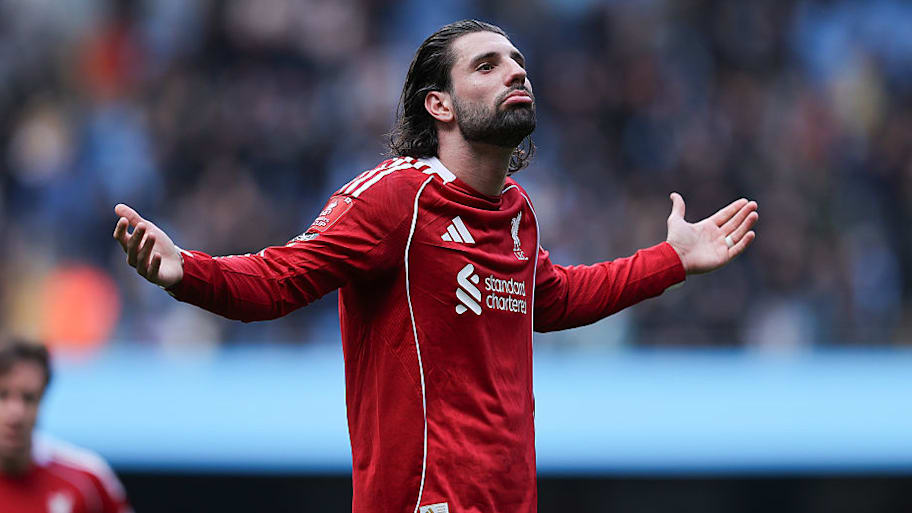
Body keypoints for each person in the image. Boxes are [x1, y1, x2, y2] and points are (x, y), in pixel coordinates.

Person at [113, 19, 757, 513]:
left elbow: (551, 299)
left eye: (518, 63)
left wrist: (671, 260)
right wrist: (185, 269)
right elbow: (283, 278)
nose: (515, 73)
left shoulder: (515, 210)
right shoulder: (397, 196)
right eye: (487, 65)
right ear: (440, 105)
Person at [0, 339, 133, 513]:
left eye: (28, 398)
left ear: (43, 399)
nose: (16, 413)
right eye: (2, 395)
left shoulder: (87, 478)